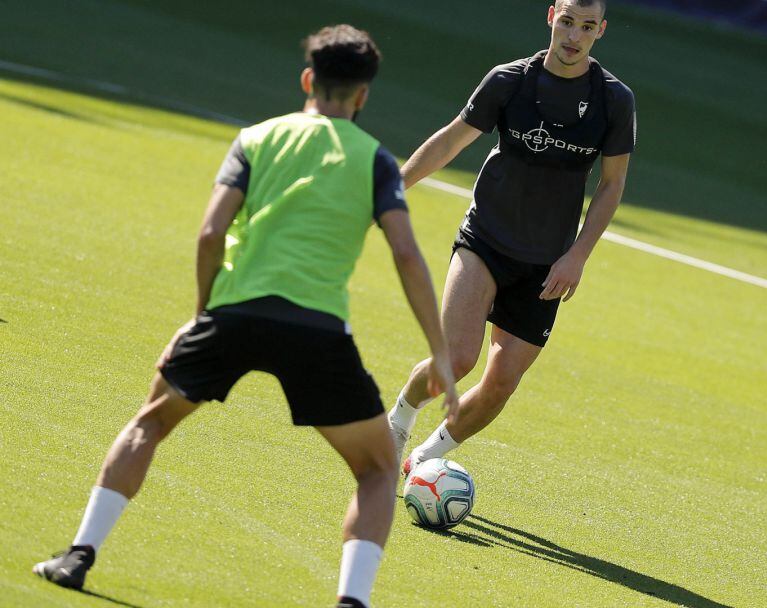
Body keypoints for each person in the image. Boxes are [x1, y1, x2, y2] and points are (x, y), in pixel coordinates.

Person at [32, 25, 457, 608]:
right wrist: (438, 350)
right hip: (317, 331)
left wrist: (201, 315)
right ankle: (350, 602)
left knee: (150, 423)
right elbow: (407, 254)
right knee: (379, 469)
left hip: (233, 316)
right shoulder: (377, 161)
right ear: (363, 96)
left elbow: (210, 232)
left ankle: (78, 555)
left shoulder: (256, 139)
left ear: (308, 80)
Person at [385, 0, 636, 473]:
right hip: (486, 239)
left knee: (501, 383)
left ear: (600, 31)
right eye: (566, 22)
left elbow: (612, 184)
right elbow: (452, 138)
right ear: (550, 18)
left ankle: (426, 461)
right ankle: (397, 424)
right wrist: (396, 187)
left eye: (586, 27)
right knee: (455, 360)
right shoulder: (509, 80)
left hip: (548, 262)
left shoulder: (614, 99)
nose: (573, 36)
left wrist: (578, 255)